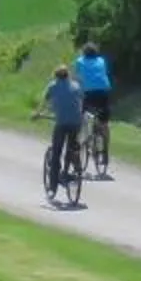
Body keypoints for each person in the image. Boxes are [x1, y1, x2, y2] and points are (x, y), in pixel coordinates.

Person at [41, 64, 86, 193]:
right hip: (76, 123)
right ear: (68, 75)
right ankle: (69, 170)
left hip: (61, 123)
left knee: (56, 151)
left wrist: (38, 113)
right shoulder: (76, 86)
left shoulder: (53, 86)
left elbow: (44, 102)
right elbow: (81, 101)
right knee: (71, 147)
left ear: (56, 76)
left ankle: (53, 185)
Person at [73, 42, 114, 171]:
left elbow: (75, 79)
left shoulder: (79, 61)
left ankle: (80, 141)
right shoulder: (101, 60)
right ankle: (105, 151)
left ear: (83, 53)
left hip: (88, 93)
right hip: (103, 92)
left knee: (81, 115)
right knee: (104, 122)